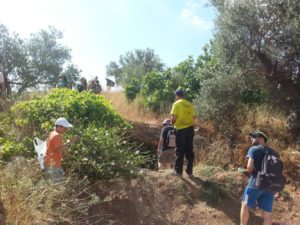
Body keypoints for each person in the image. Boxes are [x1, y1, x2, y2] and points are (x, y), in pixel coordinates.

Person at [240, 130, 277, 225]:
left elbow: (249, 167)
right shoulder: (274, 152)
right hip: (270, 187)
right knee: (267, 216)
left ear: (261, 139)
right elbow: (277, 172)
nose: (251, 138)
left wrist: (252, 172)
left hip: (255, 184)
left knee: (245, 205)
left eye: (254, 137)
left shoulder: (254, 149)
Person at [170, 89, 196, 177]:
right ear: (183, 95)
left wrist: (172, 124)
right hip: (190, 129)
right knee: (189, 150)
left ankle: (178, 172)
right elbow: (194, 117)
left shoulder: (176, 103)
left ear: (177, 95)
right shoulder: (190, 104)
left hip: (180, 129)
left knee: (179, 151)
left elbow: (173, 118)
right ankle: (189, 172)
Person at [44, 118, 78, 182]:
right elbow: (59, 150)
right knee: (57, 186)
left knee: (54, 184)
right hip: (52, 165)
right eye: (65, 128)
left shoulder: (53, 133)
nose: (66, 130)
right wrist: (71, 142)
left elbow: (56, 148)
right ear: (59, 126)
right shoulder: (56, 135)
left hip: (50, 163)